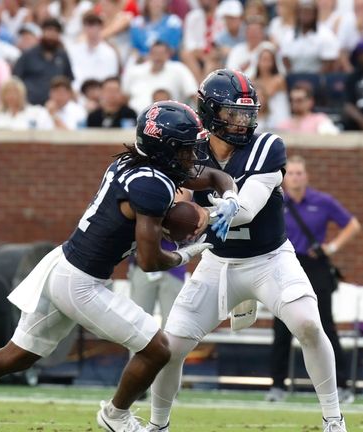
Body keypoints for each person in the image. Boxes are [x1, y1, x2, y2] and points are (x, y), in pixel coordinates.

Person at [0, 101, 243, 432]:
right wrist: (185, 254)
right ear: (164, 149)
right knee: (157, 349)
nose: (192, 156)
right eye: (184, 148)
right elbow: (151, 260)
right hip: (80, 282)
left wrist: (230, 197)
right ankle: (116, 415)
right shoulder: (150, 185)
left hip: (64, 266)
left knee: (15, 356)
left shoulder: (137, 164)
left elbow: (212, 175)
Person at [146, 69, 348, 432]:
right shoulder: (190, 149)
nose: (242, 122)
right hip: (217, 262)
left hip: (269, 259)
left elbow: (245, 210)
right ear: (208, 112)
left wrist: (199, 216)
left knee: (308, 324)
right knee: (169, 347)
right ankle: (157, 425)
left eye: (247, 113)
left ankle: (334, 419)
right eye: (232, 113)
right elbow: (175, 195)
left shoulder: (268, 147)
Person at [266, 155, 361, 404]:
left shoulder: (322, 201)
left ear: (306, 176)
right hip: (285, 265)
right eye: (292, 173)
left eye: (300, 173)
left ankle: (341, 384)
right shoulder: (276, 201)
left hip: (315, 264)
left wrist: (331, 248)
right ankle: (277, 386)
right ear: (285, 178)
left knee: (325, 325)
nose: (296, 177)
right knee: (282, 327)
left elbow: (352, 225)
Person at [13, 18, 74, 106]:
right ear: (42, 32)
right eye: (49, 30)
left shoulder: (63, 56)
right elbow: (16, 80)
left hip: (57, 106)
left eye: (55, 31)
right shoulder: (28, 55)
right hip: (30, 105)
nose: (51, 35)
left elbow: (68, 80)